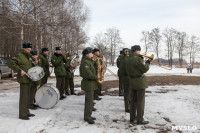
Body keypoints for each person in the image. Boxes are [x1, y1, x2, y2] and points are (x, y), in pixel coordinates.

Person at [8, 42, 35, 120]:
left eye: (30, 50)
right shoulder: (19, 56)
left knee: (27, 96)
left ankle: (26, 112)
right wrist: (20, 71)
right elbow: (11, 63)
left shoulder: (28, 57)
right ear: (24, 49)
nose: (29, 51)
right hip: (23, 79)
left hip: (29, 78)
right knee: (24, 97)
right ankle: (22, 114)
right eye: (28, 50)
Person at [126, 45, 150, 125]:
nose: (140, 52)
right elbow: (145, 69)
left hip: (132, 82)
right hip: (139, 82)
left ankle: (132, 118)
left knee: (133, 101)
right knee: (140, 101)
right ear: (136, 51)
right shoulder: (137, 59)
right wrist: (147, 63)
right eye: (139, 51)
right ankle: (140, 119)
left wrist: (141, 60)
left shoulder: (128, 59)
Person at [80, 47, 99, 124]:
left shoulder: (88, 61)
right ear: (87, 54)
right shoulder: (85, 63)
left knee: (90, 101)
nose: (92, 54)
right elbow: (88, 74)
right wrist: (96, 77)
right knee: (89, 101)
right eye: (91, 53)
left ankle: (89, 115)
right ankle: (87, 117)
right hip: (88, 83)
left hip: (91, 83)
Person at [120, 48, 130, 113]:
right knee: (127, 94)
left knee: (127, 93)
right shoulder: (126, 60)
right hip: (127, 78)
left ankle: (128, 106)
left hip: (126, 78)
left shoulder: (124, 59)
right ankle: (127, 108)